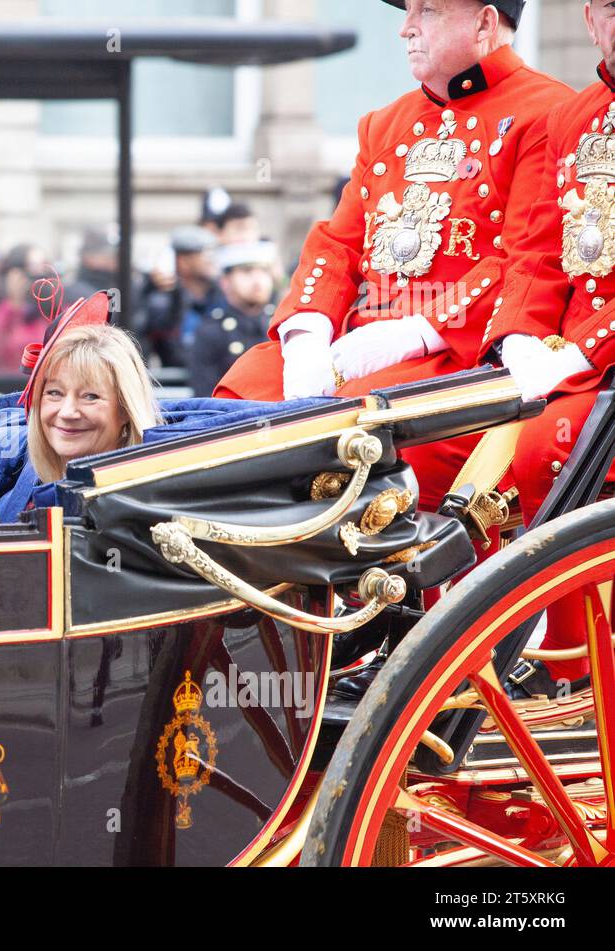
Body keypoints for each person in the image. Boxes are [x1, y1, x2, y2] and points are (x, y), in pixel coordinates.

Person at [214, 0, 568, 699]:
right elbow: (339, 241)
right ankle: (255, 620)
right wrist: (309, 332)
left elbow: (527, 258)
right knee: (239, 399)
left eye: (428, 12)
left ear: (486, 21)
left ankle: (364, 623)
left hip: (464, 355)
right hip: (360, 344)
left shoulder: (546, 112)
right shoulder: (387, 122)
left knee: (344, 433)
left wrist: (414, 330)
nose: (406, 28)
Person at [478, 0, 615, 698]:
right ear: (592, 19)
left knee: (550, 441)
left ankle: (574, 659)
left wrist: (581, 349)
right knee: (464, 439)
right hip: (576, 356)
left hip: (602, 362)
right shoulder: (573, 117)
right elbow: (535, 249)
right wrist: (520, 337)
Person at [21, 293, 162, 483]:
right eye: (55, 393)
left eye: (90, 396)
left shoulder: (148, 503)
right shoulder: (18, 494)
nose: (67, 412)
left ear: (125, 410)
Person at [187, 240, 279, 398]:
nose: (258, 280)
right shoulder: (211, 330)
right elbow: (205, 396)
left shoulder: (283, 325)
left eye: (264, 271)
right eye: (246, 271)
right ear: (225, 282)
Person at [141, 225, 219, 367]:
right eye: (205, 254)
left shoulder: (222, 296)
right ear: (183, 261)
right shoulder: (164, 303)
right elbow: (173, 352)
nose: (212, 260)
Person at [0, 244, 52, 373]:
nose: (37, 276)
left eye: (43, 268)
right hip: (2, 382)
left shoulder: (50, 307)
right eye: (30, 269)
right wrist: (13, 305)